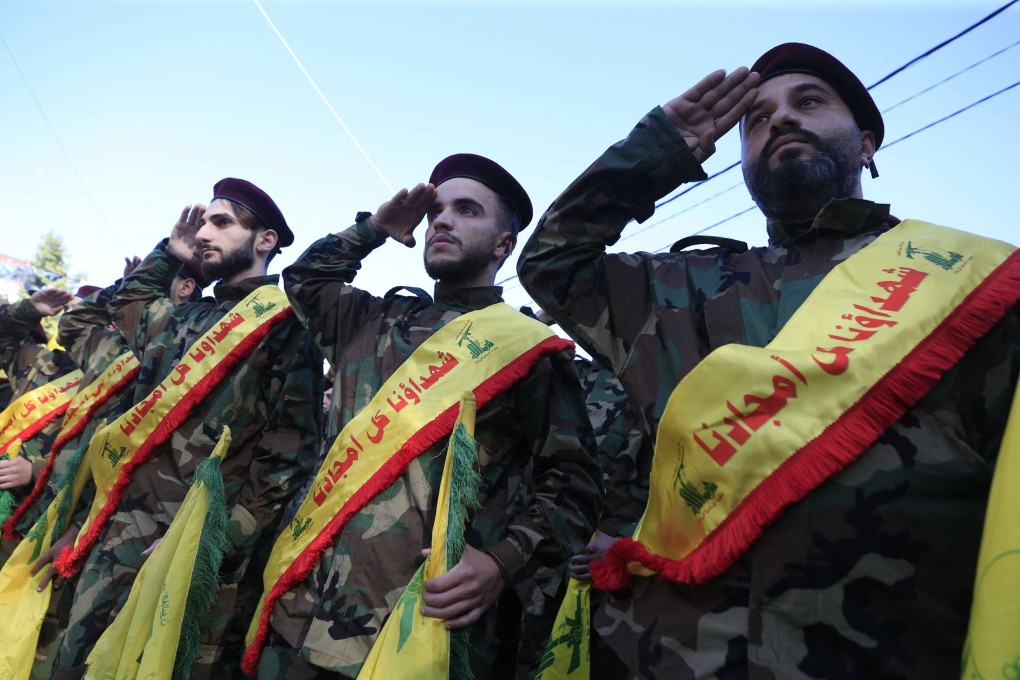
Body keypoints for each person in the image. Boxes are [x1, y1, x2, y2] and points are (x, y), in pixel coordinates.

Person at [517, 43, 1019, 678]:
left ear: (866, 144)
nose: (779, 119)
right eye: (756, 118)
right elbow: (552, 264)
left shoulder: (971, 279)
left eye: (808, 102)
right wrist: (658, 154)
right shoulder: (685, 290)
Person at [250, 154, 603, 679]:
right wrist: (376, 228)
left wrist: (501, 562)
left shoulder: (528, 350)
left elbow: (573, 485)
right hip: (301, 617)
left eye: (467, 210)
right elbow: (303, 278)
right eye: (437, 210)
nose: (442, 220)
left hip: (418, 628)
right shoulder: (370, 320)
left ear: (503, 244)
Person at [52, 178, 323, 679]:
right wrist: (170, 252)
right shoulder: (186, 317)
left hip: (193, 548)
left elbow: (287, 459)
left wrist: (216, 541)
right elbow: (124, 302)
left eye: (221, 222)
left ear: (265, 241)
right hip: (119, 529)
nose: (204, 232)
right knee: (73, 665)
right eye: (203, 223)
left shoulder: (286, 326)